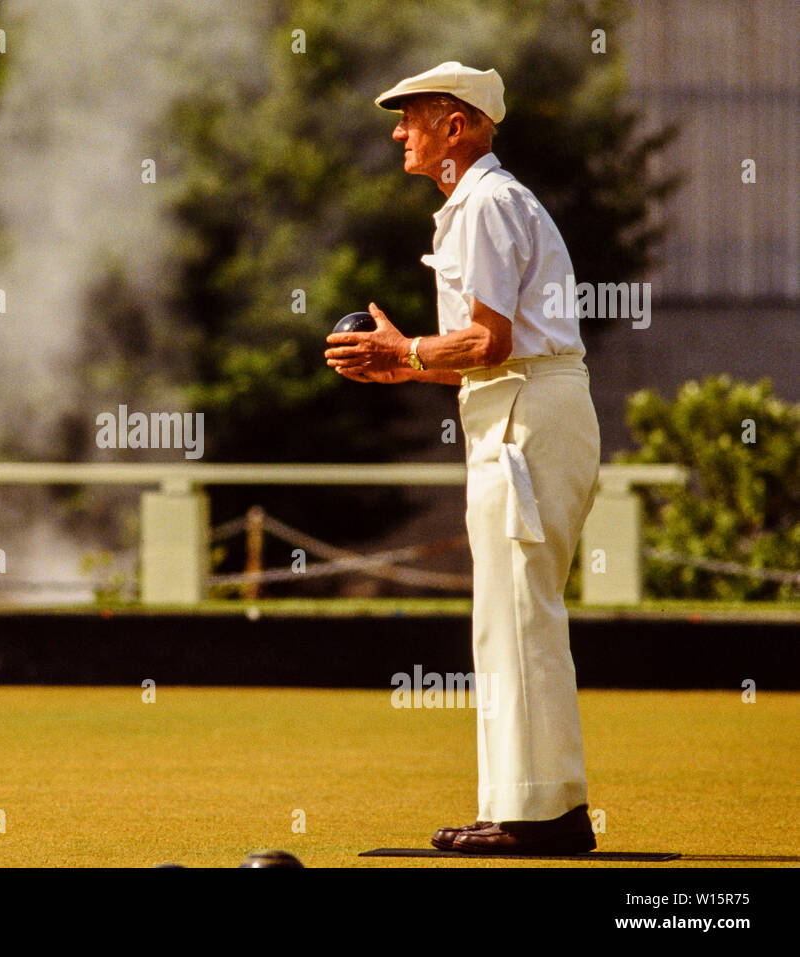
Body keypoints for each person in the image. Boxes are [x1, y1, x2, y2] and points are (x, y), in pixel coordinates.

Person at [324, 61, 600, 855]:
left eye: (409, 116)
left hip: (525, 414)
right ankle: (525, 804)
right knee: (506, 615)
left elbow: (491, 342)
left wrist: (404, 346)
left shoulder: (484, 202)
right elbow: (481, 351)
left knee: (517, 612)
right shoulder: (478, 204)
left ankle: (540, 815)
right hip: (517, 407)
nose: (395, 130)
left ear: (457, 124)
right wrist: (402, 363)